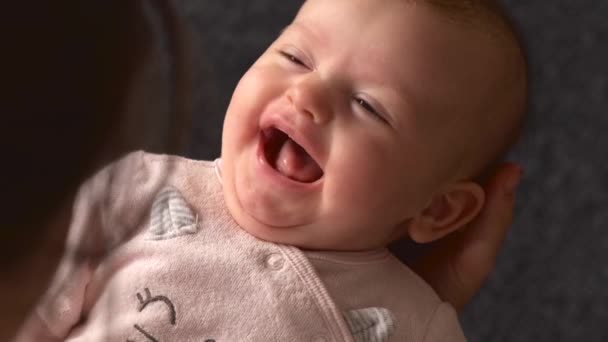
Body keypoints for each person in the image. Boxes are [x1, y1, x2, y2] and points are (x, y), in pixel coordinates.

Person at [9, 0, 525, 340]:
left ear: (437, 208)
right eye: (295, 57)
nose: (307, 94)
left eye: (369, 106)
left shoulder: (415, 323)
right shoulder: (139, 190)